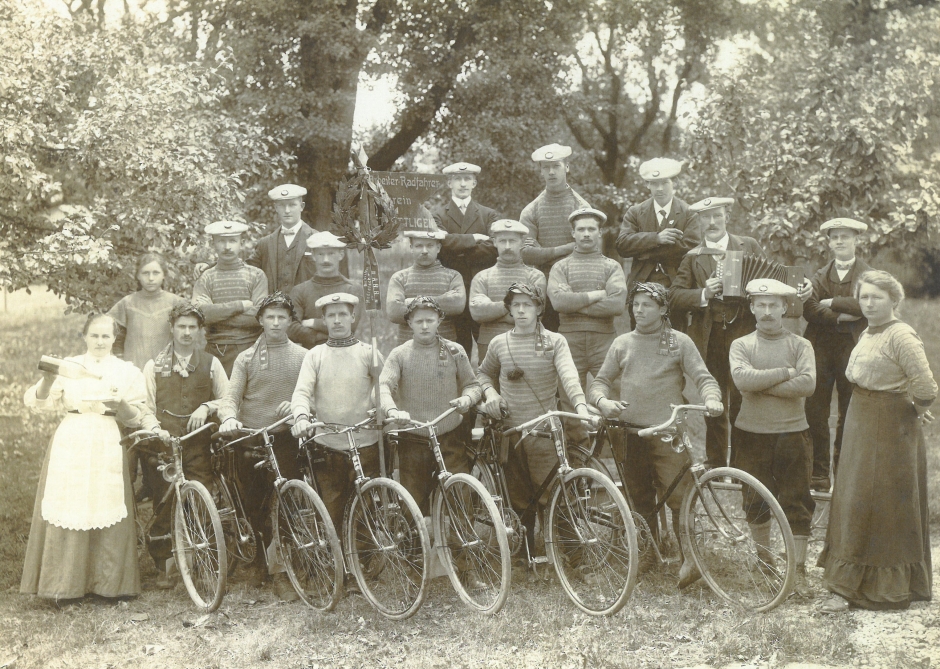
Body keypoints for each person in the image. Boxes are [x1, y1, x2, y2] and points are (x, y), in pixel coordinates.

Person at [818, 270, 936, 613]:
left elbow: (926, 387)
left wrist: (914, 408)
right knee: (854, 495)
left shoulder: (901, 335)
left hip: (888, 429)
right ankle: (848, 583)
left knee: (876, 503)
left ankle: (872, 588)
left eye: (877, 297)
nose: (869, 303)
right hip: (861, 419)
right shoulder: (869, 331)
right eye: (864, 296)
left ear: (894, 301)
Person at [589, 282, 722, 586]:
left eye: (647, 304)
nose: (639, 310)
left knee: (681, 497)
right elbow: (599, 383)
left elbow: (704, 378)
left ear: (663, 309)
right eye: (635, 304)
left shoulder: (679, 342)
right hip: (629, 433)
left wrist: (712, 398)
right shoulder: (622, 343)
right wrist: (602, 402)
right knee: (638, 497)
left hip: (667, 433)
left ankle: (690, 559)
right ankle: (647, 553)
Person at [21, 313, 148, 600]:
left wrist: (122, 404)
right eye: (94, 335)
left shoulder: (127, 371)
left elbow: (135, 418)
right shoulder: (70, 366)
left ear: (115, 338)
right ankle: (63, 584)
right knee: (70, 501)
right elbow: (40, 402)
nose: (100, 341)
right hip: (73, 437)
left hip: (106, 436)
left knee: (105, 500)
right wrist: (48, 378)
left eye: (106, 336)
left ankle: (108, 585)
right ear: (84, 336)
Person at [477, 282, 594, 554]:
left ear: (539, 308)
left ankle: (573, 556)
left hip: (545, 431)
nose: (521, 311)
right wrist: (491, 394)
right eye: (515, 305)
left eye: (527, 305)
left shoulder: (555, 341)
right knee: (517, 496)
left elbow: (568, 375)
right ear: (508, 309)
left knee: (557, 493)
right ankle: (523, 555)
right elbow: (483, 374)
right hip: (511, 431)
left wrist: (580, 406)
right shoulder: (499, 343)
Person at [729, 279, 817, 599]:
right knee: (754, 499)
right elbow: (741, 379)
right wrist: (785, 373)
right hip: (751, 433)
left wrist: (759, 385)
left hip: (792, 431)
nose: (767, 312)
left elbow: (807, 384)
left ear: (785, 308)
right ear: (751, 307)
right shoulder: (741, 344)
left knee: (797, 500)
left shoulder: (800, 345)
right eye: (761, 305)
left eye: (773, 305)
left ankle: (799, 569)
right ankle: (764, 561)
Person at [217, 292, 308, 602]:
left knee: (285, 502)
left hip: (285, 438)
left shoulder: (303, 356)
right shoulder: (245, 358)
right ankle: (258, 562)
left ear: (291, 321)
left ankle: (282, 569)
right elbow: (231, 397)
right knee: (252, 504)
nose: (276, 322)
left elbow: (311, 395)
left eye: (282, 317)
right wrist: (229, 417)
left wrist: (296, 406)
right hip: (251, 437)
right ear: (260, 320)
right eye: (270, 316)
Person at [669, 198, 765, 469]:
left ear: (726, 217)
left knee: (742, 398)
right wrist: (703, 293)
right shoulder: (692, 256)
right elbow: (674, 295)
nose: (711, 223)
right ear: (699, 222)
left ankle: (743, 463)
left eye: (717, 217)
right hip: (709, 336)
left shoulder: (749, 245)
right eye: (706, 218)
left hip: (743, 333)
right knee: (713, 398)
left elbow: (769, 281)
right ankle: (715, 462)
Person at [138, 303, 229, 589]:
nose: (187, 333)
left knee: (200, 500)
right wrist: (154, 428)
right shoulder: (154, 365)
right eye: (181, 327)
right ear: (172, 329)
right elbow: (145, 407)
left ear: (200, 331)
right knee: (165, 503)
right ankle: (166, 565)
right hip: (164, 445)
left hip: (198, 445)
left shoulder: (210, 363)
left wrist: (207, 406)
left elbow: (227, 400)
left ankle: (201, 561)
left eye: (192, 327)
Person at [291, 293, 385, 533]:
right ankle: (339, 565)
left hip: (365, 444)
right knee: (333, 512)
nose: (337, 320)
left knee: (367, 512)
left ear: (353, 317)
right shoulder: (315, 355)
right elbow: (302, 392)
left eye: (343, 314)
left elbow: (381, 387)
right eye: (331, 315)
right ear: (323, 319)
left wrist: (381, 406)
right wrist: (301, 416)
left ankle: (365, 563)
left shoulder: (369, 352)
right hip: (329, 446)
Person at [381, 296, 482, 514]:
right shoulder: (399, 354)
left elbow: (473, 385)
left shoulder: (455, 351)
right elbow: (383, 387)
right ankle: (415, 547)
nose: (425, 326)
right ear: (409, 323)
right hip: (414, 438)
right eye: (419, 321)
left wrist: (467, 399)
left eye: (430, 320)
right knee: (412, 503)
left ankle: (462, 545)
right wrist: (392, 410)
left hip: (449, 435)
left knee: (459, 496)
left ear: (439, 320)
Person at [803, 217, 872, 492]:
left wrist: (831, 302)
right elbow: (809, 308)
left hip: (853, 350)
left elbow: (867, 304)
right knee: (816, 410)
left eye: (846, 236)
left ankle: (843, 472)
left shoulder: (867, 274)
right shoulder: (820, 274)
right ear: (829, 243)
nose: (840, 241)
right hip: (820, 348)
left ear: (857, 240)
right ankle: (819, 475)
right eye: (835, 237)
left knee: (849, 410)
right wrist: (843, 317)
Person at [548, 207, 626, 430]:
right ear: (572, 233)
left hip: (605, 340)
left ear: (600, 232)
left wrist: (574, 302)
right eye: (580, 229)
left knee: (615, 397)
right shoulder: (561, 267)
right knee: (570, 398)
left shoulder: (612, 266)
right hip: (569, 342)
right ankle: (577, 457)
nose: (586, 234)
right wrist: (595, 295)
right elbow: (558, 303)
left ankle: (615, 457)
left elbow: (616, 305)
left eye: (591, 229)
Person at [615, 158, 700, 330]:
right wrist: (656, 238)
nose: (659, 189)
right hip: (641, 286)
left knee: (673, 340)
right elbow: (622, 245)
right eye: (654, 183)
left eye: (664, 183)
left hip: (675, 287)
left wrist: (643, 251)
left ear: (674, 182)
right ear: (647, 185)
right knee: (640, 339)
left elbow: (691, 248)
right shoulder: (636, 212)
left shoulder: (689, 213)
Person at [519, 143, 592, 331]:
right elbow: (527, 254)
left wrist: (543, 251)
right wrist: (567, 247)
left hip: (577, 284)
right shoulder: (532, 210)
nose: (551, 172)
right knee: (546, 347)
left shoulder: (581, 207)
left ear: (567, 167)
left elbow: (588, 247)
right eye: (546, 167)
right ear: (541, 171)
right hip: (544, 289)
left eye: (556, 166)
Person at [433, 162, 501, 358]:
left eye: (467, 179)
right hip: (451, 289)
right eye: (457, 179)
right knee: (456, 349)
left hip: (482, 290)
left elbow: (494, 247)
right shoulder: (437, 216)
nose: (462, 184)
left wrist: (456, 248)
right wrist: (474, 239)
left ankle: (486, 388)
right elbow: (440, 245)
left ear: (474, 183)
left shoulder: (489, 215)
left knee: (486, 348)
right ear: (449, 183)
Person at [192, 221, 268, 376]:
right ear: (214, 244)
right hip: (216, 351)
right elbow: (200, 314)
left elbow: (259, 317)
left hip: (251, 349)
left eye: (232, 241)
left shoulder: (256, 275)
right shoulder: (206, 277)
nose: (227, 246)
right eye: (221, 241)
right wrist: (239, 306)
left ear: (242, 243)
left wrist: (216, 315)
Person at [469, 219, 546, 364]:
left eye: (512, 241)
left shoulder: (535, 276)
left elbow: (534, 314)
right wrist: (516, 306)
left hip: (525, 343)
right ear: (494, 242)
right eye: (503, 241)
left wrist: (492, 313)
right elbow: (477, 313)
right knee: (489, 384)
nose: (507, 246)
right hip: (488, 345)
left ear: (522, 242)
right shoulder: (482, 277)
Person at [386, 229, 466, 345]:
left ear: (438, 248)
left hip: (444, 347)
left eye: (430, 245)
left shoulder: (453, 276)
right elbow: (394, 312)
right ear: (411, 248)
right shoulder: (399, 278)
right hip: (408, 348)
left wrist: (411, 302)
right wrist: (442, 299)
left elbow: (457, 305)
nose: (424, 251)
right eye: (418, 246)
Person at [108, 252, 185, 370]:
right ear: (138, 275)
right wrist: (121, 362)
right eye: (145, 273)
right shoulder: (127, 303)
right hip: (134, 371)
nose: (151, 278)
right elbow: (114, 336)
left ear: (164, 274)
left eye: (156, 273)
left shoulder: (176, 303)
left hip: (167, 372)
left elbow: (188, 337)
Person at [287, 231, 364, 348]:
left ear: (341, 255)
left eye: (331, 254)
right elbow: (291, 328)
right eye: (320, 254)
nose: (326, 260)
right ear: (313, 256)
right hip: (309, 355)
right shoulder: (299, 290)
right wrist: (318, 337)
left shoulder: (353, 289)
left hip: (345, 353)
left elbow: (350, 326)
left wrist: (312, 323)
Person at [247, 183, 318, 294]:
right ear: (276, 208)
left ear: (302, 206)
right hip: (273, 309)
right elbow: (246, 272)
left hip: (307, 308)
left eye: (292, 205)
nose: (287, 210)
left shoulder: (317, 239)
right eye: (282, 205)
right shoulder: (264, 244)